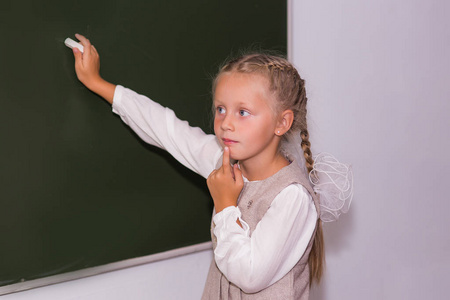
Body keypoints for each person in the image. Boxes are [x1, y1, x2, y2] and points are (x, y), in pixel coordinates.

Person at [71, 33, 353, 299]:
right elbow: (167, 130)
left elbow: (249, 275)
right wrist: (98, 83)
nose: (226, 122)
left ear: (282, 123)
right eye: (221, 109)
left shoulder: (293, 197)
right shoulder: (224, 163)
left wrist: (226, 205)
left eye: (243, 112)